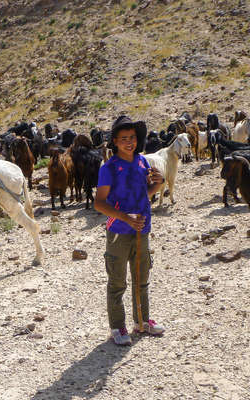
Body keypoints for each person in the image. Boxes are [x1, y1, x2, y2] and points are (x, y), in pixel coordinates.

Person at [94, 116, 166, 346]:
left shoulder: (143, 162)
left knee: (141, 278)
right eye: (124, 138)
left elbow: (145, 193)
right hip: (119, 232)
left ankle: (142, 321)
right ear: (115, 141)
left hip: (142, 229)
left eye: (132, 138)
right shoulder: (109, 168)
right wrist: (126, 217)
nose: (129, 142)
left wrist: (159, 183)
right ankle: (117, 326)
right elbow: (99, 203)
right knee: (117, 282)